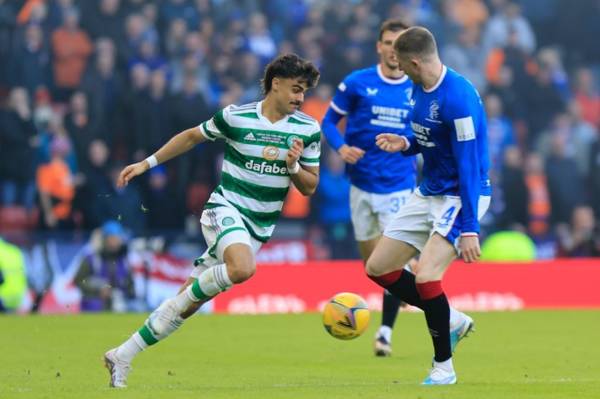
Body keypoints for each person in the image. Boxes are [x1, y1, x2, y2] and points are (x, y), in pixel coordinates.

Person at [103, 53, 321, 388]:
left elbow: (310, 186)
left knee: (185, 305)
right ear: (275, 84)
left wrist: (293, 167)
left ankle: (122, 354)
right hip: (225, 209)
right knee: (243, 269)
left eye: (304, 91)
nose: (300, 98)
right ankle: (172, 308)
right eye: (295, 89)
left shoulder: (307, 129)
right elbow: (191, 137)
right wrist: (146, 164)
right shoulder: (237, 117)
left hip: (258, 228)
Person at [367, 27, 491, 385]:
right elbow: (432, 139)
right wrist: (405, 143)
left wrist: (470, 227)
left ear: (416, 61)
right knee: (378, 267)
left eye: (404, 65)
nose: (401, 71)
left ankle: (443, 368)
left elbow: (469, 167)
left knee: (426, 276)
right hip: (430, 190)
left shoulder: (459, 98)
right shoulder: (418, 89)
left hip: (460, 195)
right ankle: (450, 317)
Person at [321, 19, 417, 357]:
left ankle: (385, 333)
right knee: (373, 268)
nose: (394, 49)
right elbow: (329, 123)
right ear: (379, 46)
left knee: (390, 266)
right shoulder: (358, 83)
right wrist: (341, 148)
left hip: (398, 187)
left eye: (400, 43)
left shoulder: (417, 87)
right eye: (389, 42)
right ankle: (407, 284)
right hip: (360, 185)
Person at [74, 220, 135, 312]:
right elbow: (79, 280)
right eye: (113, 238)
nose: (117, 241)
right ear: (105, 239)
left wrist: (127, 293)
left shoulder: (124, 260)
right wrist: (98, 290)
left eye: (118, 238)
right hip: (94, 306)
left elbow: (130, 286)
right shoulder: (91, 258)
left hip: (119, 306)